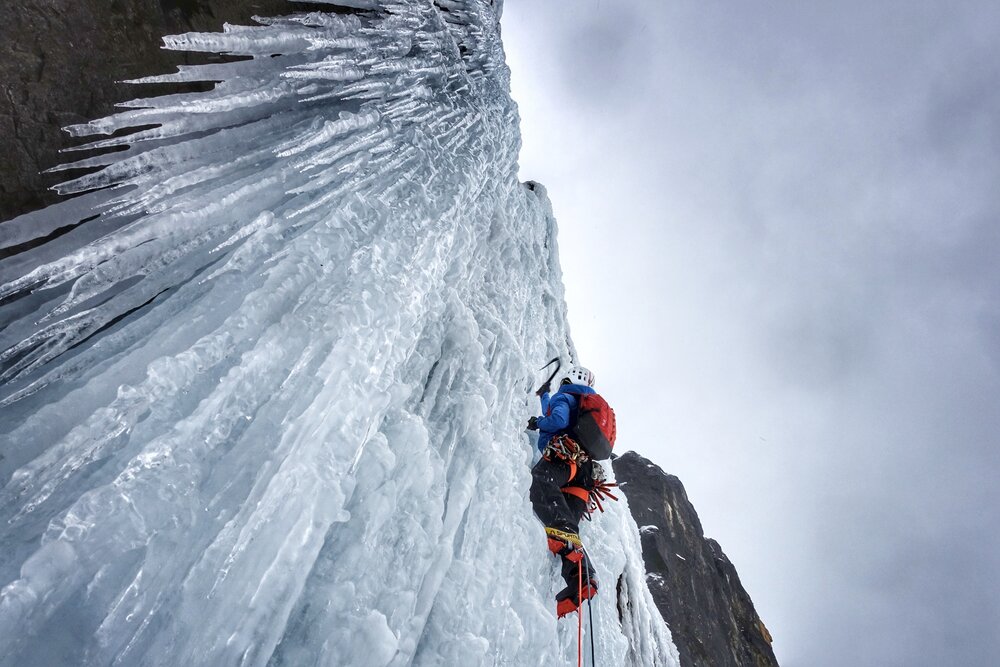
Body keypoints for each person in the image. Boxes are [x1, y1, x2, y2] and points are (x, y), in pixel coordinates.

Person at [526, 364, 601, 617]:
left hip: (566, 459)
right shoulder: (579, 403)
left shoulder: (565, 397)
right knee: (569, 527)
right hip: (584, 477)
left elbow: (556, 418)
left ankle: (566, 544)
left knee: (540, 482)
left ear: (567, 380)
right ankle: (582, 577)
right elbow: (554, 408)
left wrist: (538, 422)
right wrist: (544, 395)